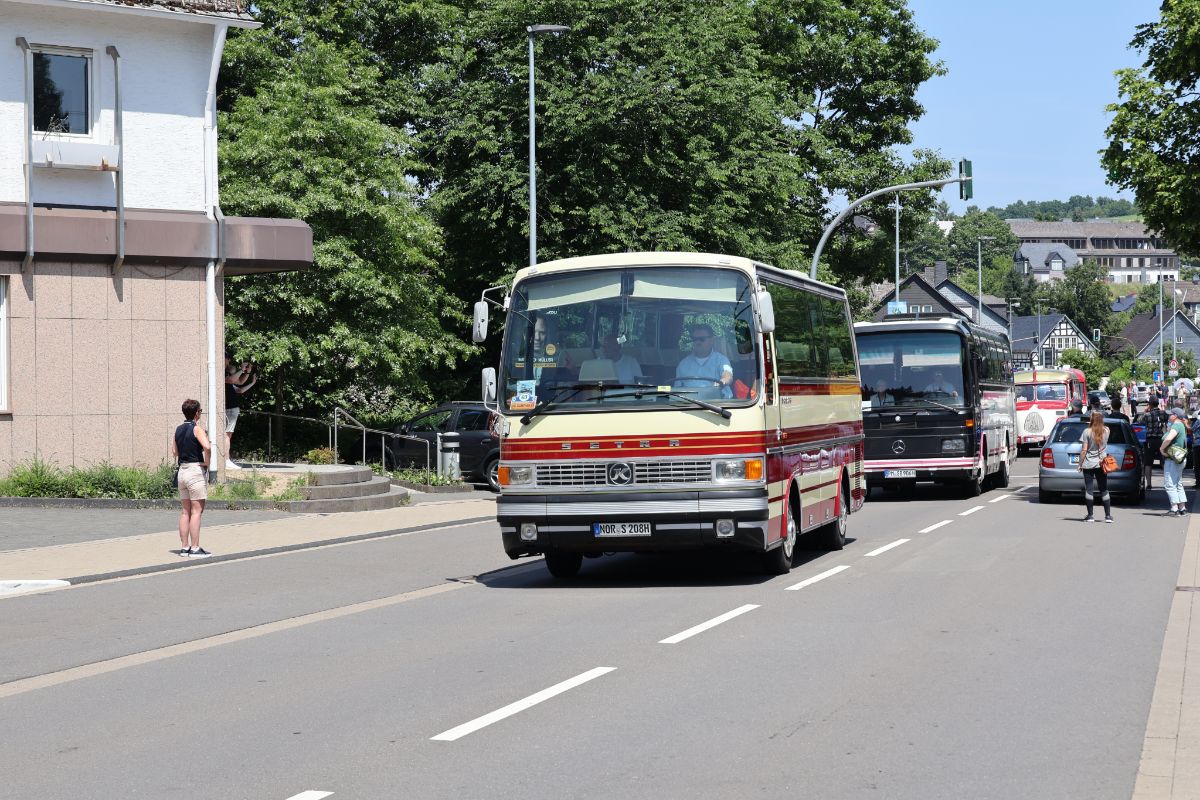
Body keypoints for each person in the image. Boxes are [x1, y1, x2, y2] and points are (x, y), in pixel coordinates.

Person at [171, 399, 212, 557]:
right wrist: (206, 463)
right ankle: (195, 548)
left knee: (185, 512)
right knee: (197, 511)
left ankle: (184, 547)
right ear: (197, 413)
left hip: (182, 471)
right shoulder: (197, 429)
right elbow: (207, 447)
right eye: (200, 411)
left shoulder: (178, 429)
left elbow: (174, 452)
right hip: (195, 470)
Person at [676, 324, 733, 399]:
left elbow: (728, 375)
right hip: (689, 405)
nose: (698, 342)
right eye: (695, 339)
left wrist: (723, 381)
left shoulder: (721, 360)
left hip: (718, 405)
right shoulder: (683, 364)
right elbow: (677, 390)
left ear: (712, 340)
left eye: (702, 339)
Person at [1077, 411, 1113, 523]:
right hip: (1102, 463)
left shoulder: (1086, 432)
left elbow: (1084, 450)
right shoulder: (1107, 430)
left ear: (1092, 419)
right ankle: (1108, 516)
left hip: (1088, 464)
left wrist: (1080, 464)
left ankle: (1090, 515)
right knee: (1104, 488)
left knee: (1089, 489)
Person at [224, 357, 257, 470]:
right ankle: (226, 460)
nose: (229, 362)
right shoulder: (221, 374)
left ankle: (226, 459)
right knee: (226, 435)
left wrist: (248, 374)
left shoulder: (229, 378)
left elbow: (240, 386)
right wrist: (241, 370)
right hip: (228, 409)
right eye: (227, 359)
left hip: (231, 409)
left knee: (228, 435)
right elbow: (232, 380)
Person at [1161, 407, 1190, 517]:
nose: (1169, 416)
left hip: (1172, 459)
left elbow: (1169, 439)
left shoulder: (1176, 425)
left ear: (1175, 416)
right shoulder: (1181, 425)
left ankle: (1174, 509)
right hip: (1180, 458)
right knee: (1178, 483)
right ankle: (1182, 508)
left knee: (1169, 484)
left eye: (1171, 414)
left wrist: (1161, 449)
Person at [1138, 398, 1169, 490]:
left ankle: (1149, 484)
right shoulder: (1163, 413)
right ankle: (1167, 482)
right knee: (1163, 461)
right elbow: (1168, 421)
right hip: (1161, 440)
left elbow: (1139, 421)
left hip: (1150, 441)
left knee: (1148, 463)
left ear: (1150, 405)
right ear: (1158, 404)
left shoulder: (1147, 415)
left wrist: (1144, 412)